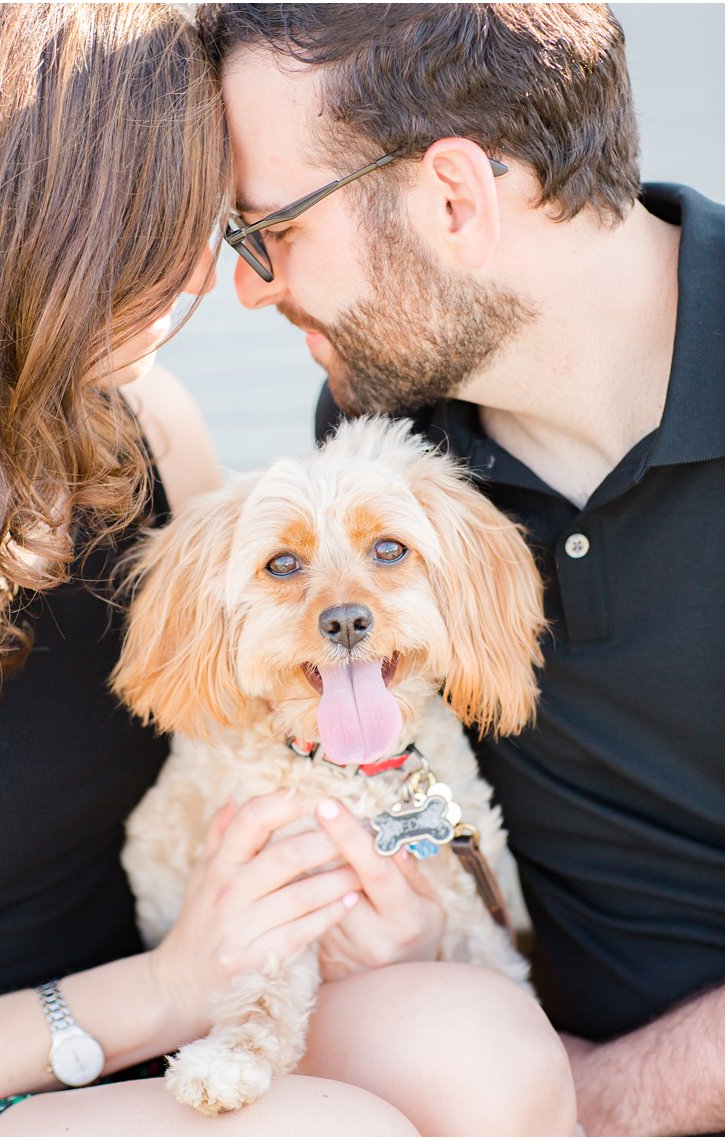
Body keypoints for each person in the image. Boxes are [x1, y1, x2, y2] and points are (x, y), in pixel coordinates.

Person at [0, 5, 573, 1136]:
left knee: (484, 1045)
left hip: (190, 1008)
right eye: (168, 218)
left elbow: (270, 649)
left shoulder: (145, 419)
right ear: (51, 214)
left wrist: (399, 926)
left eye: (221, 220)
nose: (217, 272)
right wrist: (158, 993)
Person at [199, 3, 724, 1134]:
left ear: (452, 198)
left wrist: (588, 1101)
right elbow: (410, 773)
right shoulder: (382, 439)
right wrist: (422, 939)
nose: (249, 284)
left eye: (267, 229)